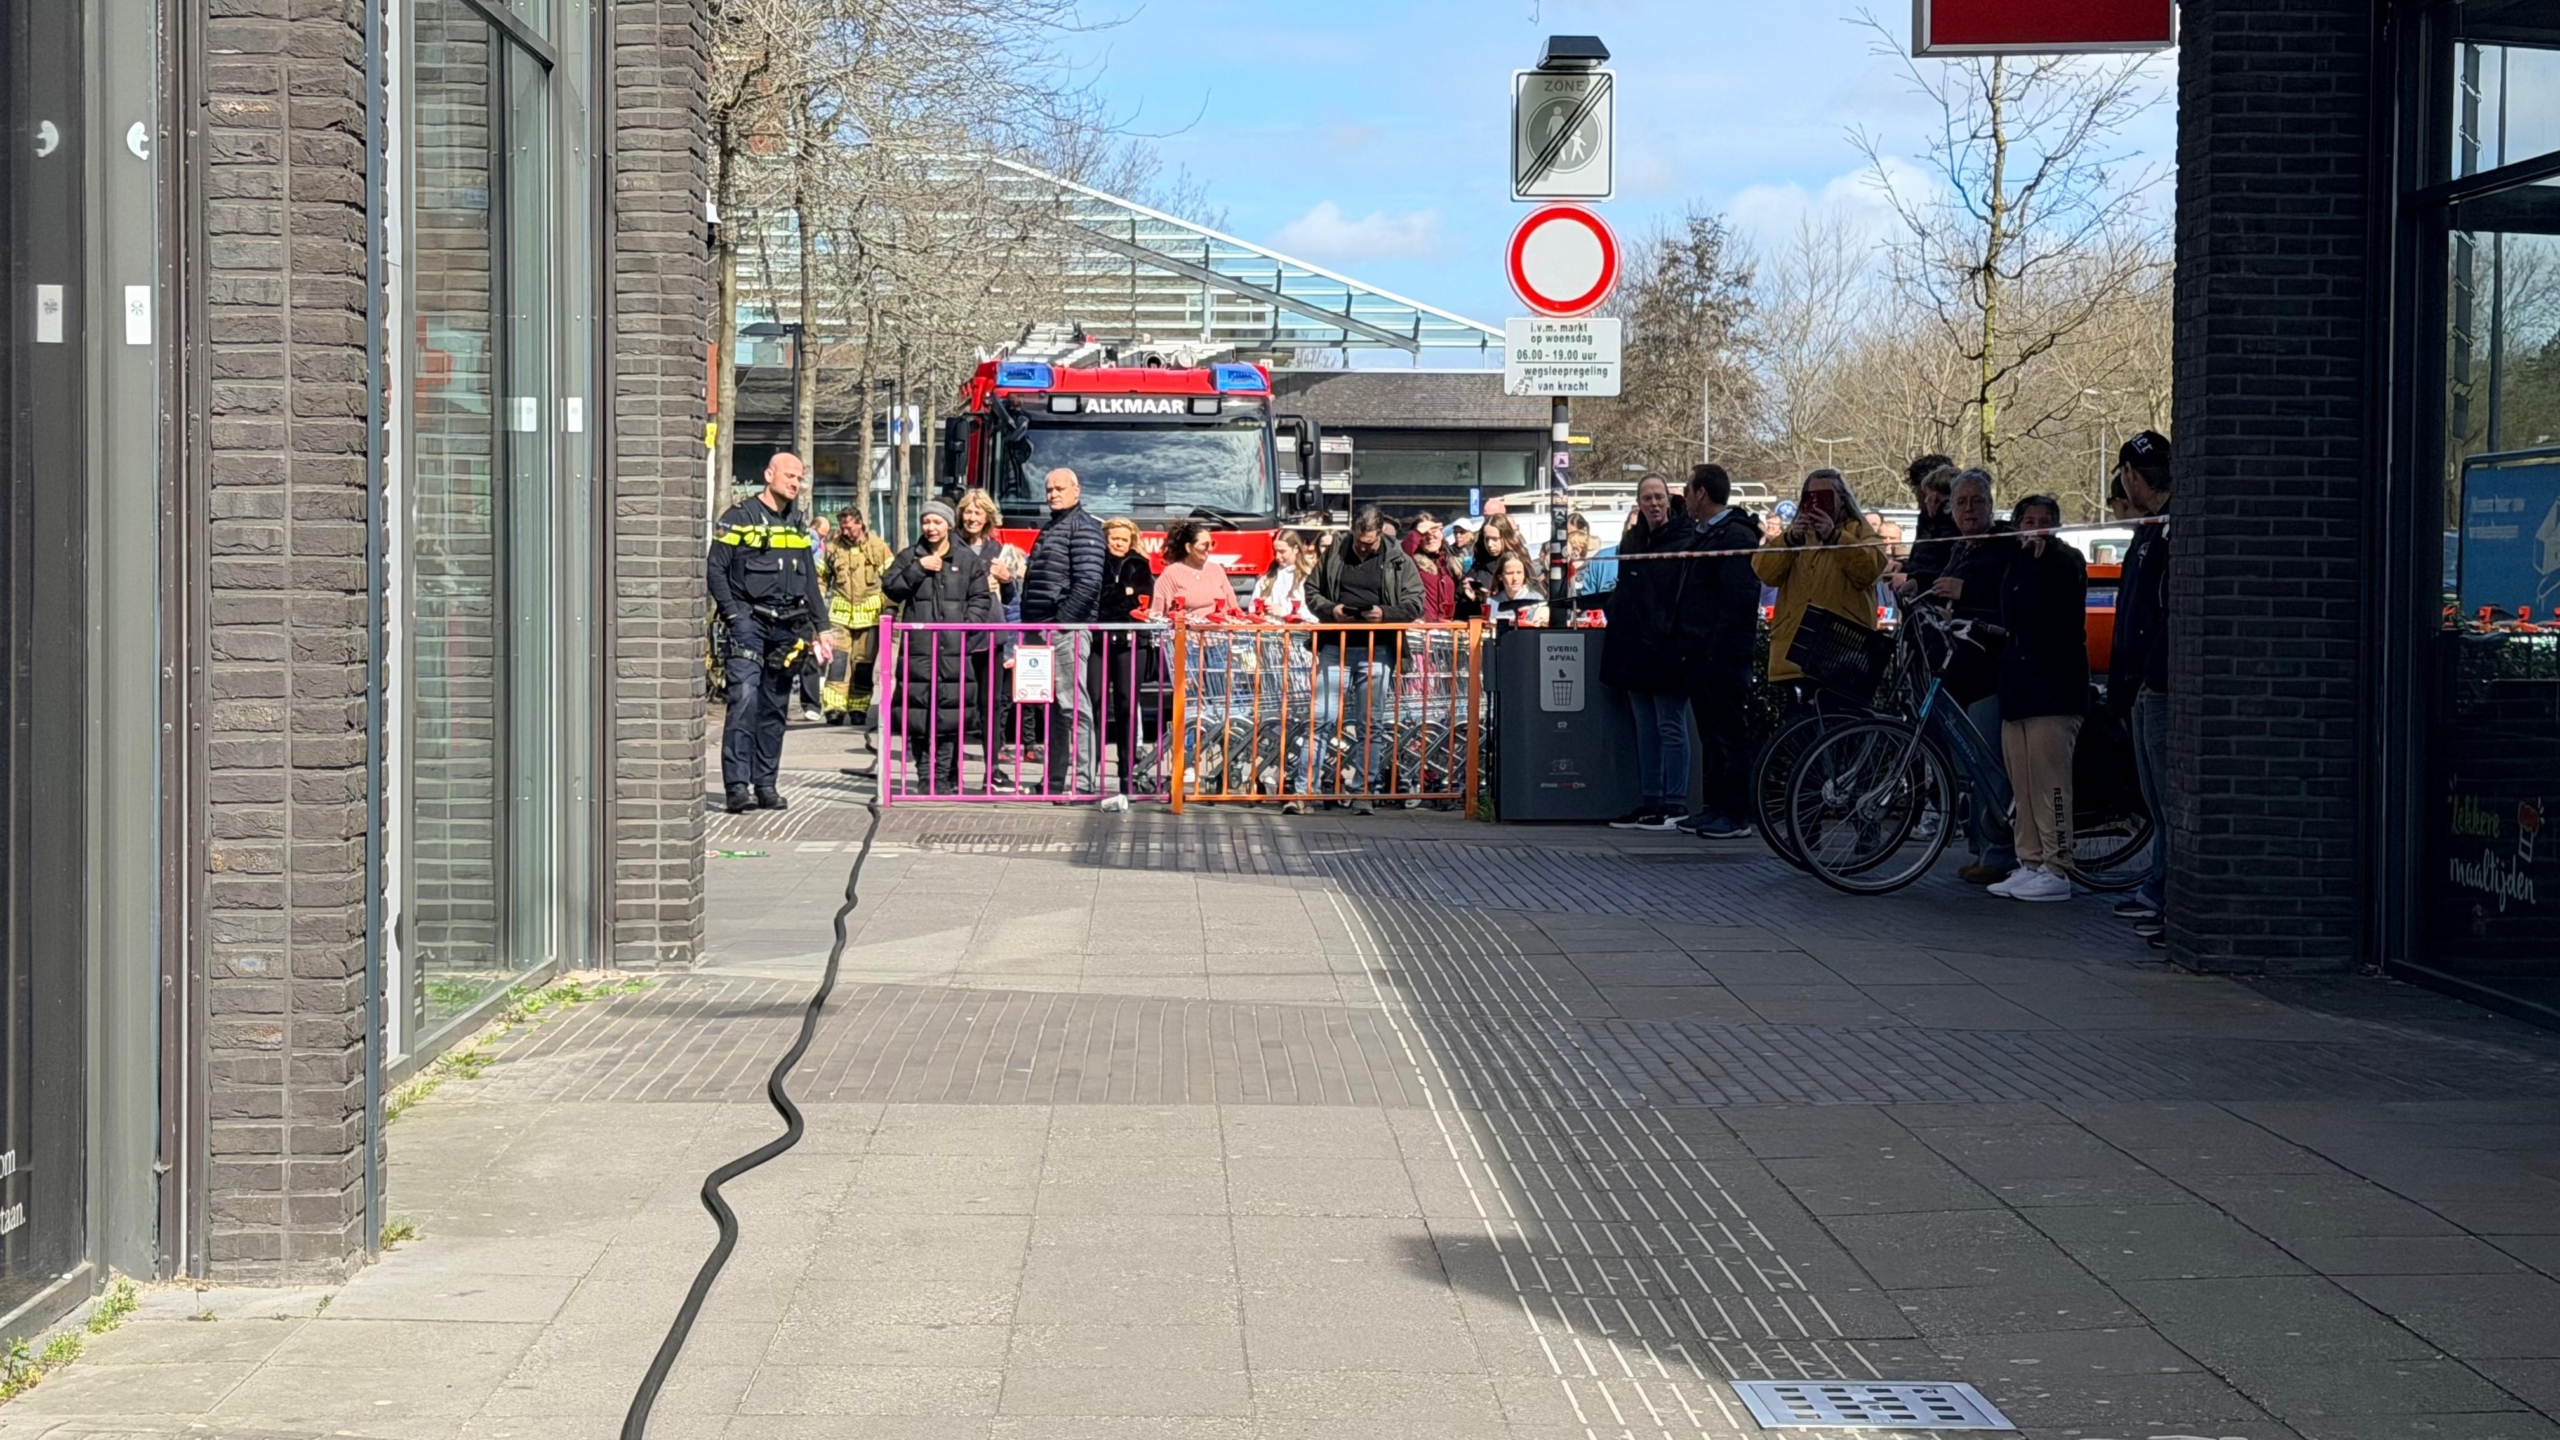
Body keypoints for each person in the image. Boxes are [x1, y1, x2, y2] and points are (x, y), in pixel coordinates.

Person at [1898, 469, 2017, 884]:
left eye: (1976, 502)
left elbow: (2009, 597)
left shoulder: (2003, 546)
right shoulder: (1960, 549)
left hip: (1989, 671)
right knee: (1969, 765)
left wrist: (1965, 595)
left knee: (1988, 766)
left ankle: (1999, 853)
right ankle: (1979, 847)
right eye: (1961, 503)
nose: (1968, 510)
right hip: (1959, 668)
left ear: (1990, 505)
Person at [707, 453, 831, 813]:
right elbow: (716, 570)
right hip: (749, 622)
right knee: (744, 701)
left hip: (787, 626)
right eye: (789, 476)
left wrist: (821, 627)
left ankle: (766, 784)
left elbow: (808, 577)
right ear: (768, 474)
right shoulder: (738, 517)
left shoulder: (796, 524)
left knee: (775, 708)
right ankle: (736, 787)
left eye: (799, 478)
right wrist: (734, 616)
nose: (795, 483)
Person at [1991, 494, 2089, 903]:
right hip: (2019, 685)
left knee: (2051, 784)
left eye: (2044, 521)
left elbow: (2056, 605)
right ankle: (2030, 859)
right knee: (2023, 782)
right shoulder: (2014, 561)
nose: (2035, 527)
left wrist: (2040, 558)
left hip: (2055, 688)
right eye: (2028, 520)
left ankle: (2058, 864)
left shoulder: (2066, 562)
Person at [1303, 504, 1424, 815]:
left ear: (1380, 534)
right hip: (1335, 644)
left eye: (1368, 543)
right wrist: (1332, 610)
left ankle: (1364, 792)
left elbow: (1415, 602)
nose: (1362, 547)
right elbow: (1311, 589)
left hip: (1378, 649)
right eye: (1358, 540)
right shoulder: (1335, 552)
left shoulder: (1398, 559)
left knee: (1370, 725)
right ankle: (1306, 790)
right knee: (1321, 719)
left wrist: (1385, 614)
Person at [1599, 475, 1696, 831]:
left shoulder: (1686, 537)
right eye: (1646, 498)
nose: (1653, 503)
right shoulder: (1632, 539)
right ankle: (1651, 800)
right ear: (1638, 503)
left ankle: (1676, 801)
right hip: (1634, 646)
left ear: (1668, 501)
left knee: (1670, 725)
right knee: (1645, 727)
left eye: (1658, 497)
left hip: (1668, 646)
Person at [881, 500, 998, 793]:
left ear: (948, 524)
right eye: (926, 522)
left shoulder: (965, 558)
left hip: (954, 650)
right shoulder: (910, 556)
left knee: (951, 715)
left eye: (937, 522)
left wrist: (965, 626)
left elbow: (981, 597)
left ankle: (944, 777)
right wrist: (918, 569)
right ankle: (924, 777)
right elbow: (890, 588)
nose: (931, 528)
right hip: (918, 651)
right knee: (918, 716)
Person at [2109, 431, 2174, 943]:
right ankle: (2157, 880)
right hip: (2139, 679)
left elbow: (2161, 606)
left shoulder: (2169, 529)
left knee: (2163, 795)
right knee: (2153, 796)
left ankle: (2167, 888)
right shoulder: (2148, 530)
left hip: (2157, 683)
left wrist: (2151, 670)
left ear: (2133, 475)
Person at [1673, 464, 1762, 839]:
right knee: (1709, 731)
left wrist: (1718, 648)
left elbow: (1738, 601)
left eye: (1688, 491)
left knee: (1728, 731)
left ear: (1702, 493)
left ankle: (1736, 812)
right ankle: (1714, 806)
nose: (1685, 499)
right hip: (1698, 649)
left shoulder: (1735, 536)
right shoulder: (1705, 535)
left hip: (1722, 654)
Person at [1752, 469, 1887, 699]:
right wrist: (1789, 540)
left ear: (1842, 500)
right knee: (1798, 729)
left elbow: (1868, 571)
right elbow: (1765, 573)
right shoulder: (1794, 537)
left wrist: (1835, 537)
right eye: (1809, 497)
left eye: (1824, 497)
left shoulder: (1860, 533)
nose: (1816, 504)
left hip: (1842, 654)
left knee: (1840, 726)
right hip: (1794, 652)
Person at [1019, 467, 1106, 797]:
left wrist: (1060, 623)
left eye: (1059, 488)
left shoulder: (1083, 528)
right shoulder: (1053, 526)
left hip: (1064, 630)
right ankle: (1055, 781)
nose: (1052, 494)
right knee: (1054, 708)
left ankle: (1081, 782)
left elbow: (1088, 583)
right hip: (1043, 628)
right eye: (1049, 489)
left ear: (1076, 490)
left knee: (1073, 708)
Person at [1097, 516, 1158, 796]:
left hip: (1131, 640)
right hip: (1099, 639)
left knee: (1125, 703)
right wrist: (1124, 591)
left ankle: (1126, 774)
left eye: (1123, 539)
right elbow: (1098, 598)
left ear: (1131, 540)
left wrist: (1120, 595)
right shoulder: (1097, 562)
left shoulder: (1140, 565)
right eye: (1114, 539)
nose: (1118, 544)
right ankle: (1091, 772)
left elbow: (1144, 595)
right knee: (1094, 700)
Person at [821, 509, 894, 724]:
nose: (845, 532)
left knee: (863, 665)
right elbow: (820, 577)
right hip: (840, 616)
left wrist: (890, 608)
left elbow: (892, 579)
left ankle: (858, 707)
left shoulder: (878, 547)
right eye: (842, 527)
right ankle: (834, 707)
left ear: (860, 524)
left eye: (849, 528)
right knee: (838, 663)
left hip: (870, 616)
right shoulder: (833, 548)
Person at [1154, 519, 1234, 620]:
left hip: (1220, 632)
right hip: (1187, 633)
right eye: (1204, 545)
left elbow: (1234, 608)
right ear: (1188, 547)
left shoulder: (1217, 570)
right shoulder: (1171, 573)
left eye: (1211, 544)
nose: (1209, 549)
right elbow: (1157, 615)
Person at [1403, 511, 1461, 622]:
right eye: (1425, 534)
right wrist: (1417, 532)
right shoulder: (1411, 562)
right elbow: (1403, 551)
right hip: (1421, 628)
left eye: (1434, 532)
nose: (1430, 537)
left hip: (1446, 629)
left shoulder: (1448, 562)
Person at [1254, 530, 1316, 621]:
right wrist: (1259, 610)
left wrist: (1283, 611)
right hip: (1269, 631)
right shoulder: (1267, 577)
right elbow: (1253, 605)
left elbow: (1313, 613)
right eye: (1275, 552)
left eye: (1282, 551)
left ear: (1296, 549)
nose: (1277, 557)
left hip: (1296, 632)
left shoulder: (1307, 577)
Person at [1486, 551, 1547, 627]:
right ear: (1500, 577)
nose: (1515, 578)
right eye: (1510, 573)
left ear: (1524, 575)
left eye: (1519, 573)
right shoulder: (1491, 603)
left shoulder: (1537, 600)